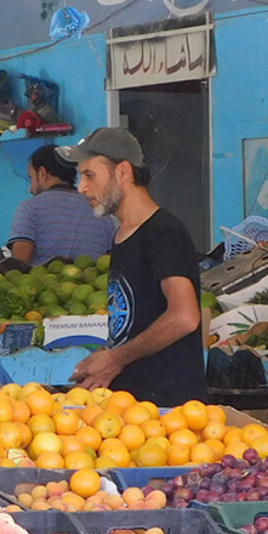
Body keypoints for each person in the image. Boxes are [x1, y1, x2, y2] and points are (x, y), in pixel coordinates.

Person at [60, 128, 206, 408]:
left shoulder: (164, 232)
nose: (81, 187)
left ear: (123, 172)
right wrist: (104, 355)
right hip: (131, 411)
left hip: (168, 412)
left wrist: (115, 359)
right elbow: (135, 321)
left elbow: (185, 316)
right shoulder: (123, 235)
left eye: (89, 175)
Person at [7, 144, 116, 266]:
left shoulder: (29, 208)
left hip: (44, 284)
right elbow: (112, 264)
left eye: (31, 178)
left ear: (42, 173)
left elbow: (20, 264)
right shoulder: (101, 212)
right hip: (93, 284)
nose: (31, 189)